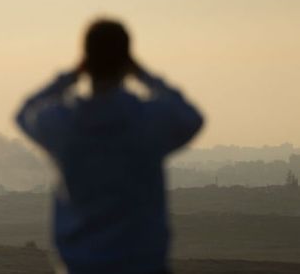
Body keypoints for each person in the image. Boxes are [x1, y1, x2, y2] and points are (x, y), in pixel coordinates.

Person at [16, 18, 203, 274]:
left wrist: (69, 77)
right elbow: (191, 117)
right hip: (143, 266)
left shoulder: (64, 125)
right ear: (126, 62)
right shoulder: (147, 122)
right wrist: (145, 76)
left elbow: (25, 112)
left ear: (86, 61)